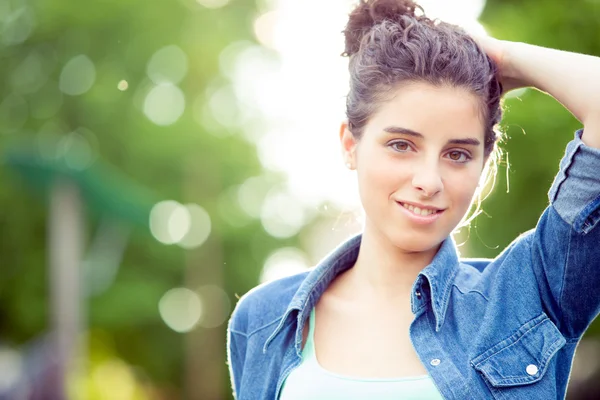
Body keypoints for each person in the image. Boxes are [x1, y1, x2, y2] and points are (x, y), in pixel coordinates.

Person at [226, 0, 600, 398]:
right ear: (350, 145)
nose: (428, 181)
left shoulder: (526, 296)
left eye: (457, 154)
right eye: (402, 145)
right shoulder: (263, 320)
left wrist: (504, 58)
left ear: (484, 162)